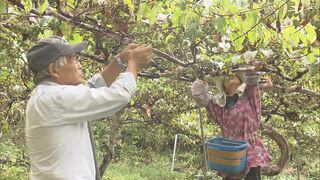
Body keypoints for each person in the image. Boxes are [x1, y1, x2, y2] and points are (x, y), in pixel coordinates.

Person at [25, 36, 153, 180]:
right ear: (54, 70)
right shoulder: (57, 98)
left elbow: (92, 88)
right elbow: (118, 96)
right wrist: (134, 64)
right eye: (73, 59)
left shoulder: (47, 95)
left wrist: (120, 61)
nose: (79, 65)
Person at [191, 68, 273, 180]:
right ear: (224, 87)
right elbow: (200, 95)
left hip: (251, 146)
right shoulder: (220, 106)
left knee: (253, 176)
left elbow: (252, 77)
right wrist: (200, 75)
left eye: (234, 75)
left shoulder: (249, 97)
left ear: (240, 81)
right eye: (225, 78)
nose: (229, 77)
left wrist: (253, 64)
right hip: (231, 150)